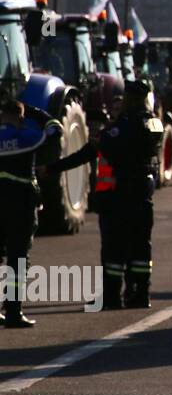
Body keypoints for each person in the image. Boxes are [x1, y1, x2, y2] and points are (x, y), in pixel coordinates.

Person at [46, 78, 163, 309]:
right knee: (140, 246)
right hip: (143, 195)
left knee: (114, 248)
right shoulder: (153, 123)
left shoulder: (123, 126)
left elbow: (95, 149)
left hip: (121, 196)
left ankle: (111, 296)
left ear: (132, 99)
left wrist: (51, 168)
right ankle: (139, 293)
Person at [0, 99, 62, 327]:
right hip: (20, 204)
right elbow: (55, 130)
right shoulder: (27, 137)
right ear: (21, 117)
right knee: (18, 257)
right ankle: (14, 311)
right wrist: (36, 112)